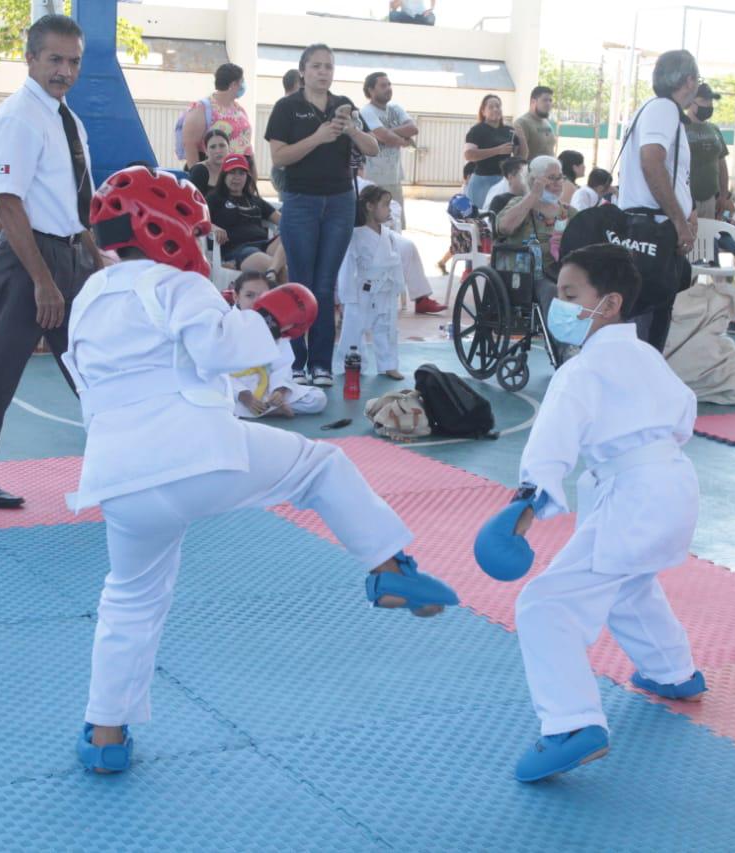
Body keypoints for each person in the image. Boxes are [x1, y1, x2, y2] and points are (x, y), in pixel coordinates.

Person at [69, 166, 458, 774]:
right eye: (195, 234)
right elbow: (223, 350)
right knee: (321, 468)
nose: (199, 246)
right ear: (164, 229)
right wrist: (271, 321)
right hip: (196, 454)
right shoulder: (174, 286)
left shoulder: (88, 300)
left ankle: (106, 733)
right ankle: (389, 568)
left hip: (117, 478)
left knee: (130, 599)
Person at [473, 243, 704, 783]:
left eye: (573, 295)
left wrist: (525, 505)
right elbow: (684, 416)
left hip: (633, 494)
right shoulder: (647, 355)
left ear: (612, 303)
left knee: (544, 606)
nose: (560, 304)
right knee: (629, 583)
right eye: (560, 294)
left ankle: (573, 724)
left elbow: (553, 444)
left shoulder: (581, 371)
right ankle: (672, 671)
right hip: (674, 485)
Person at [0, 14, 101, 509]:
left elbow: (76, 197)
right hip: (29, 256)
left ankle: (124, 459)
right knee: (1, 366)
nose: (64, 70)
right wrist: (42, 280)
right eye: (54, 59)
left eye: (73, 61)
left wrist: (93, 255)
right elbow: (7, 203)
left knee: (94, 365)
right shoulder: (19, 116)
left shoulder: (66, 117)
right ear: (30, 57)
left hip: (70, 252)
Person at [265, 43, 378, 387]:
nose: (323, 72)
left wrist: (352, 130)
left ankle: (321, 364)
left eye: (328, 66)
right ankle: (297, 361)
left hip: (340, 202)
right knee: (301, 281)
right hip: (301, 201)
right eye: (316, 66)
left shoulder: (344, 107)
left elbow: (373, 148)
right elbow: (280, 158)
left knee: (326, 285)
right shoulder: (287, 108)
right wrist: (317, 137)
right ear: (303, 71)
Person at [615, 48, 700, 350]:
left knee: (649, 320)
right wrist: (679, 221)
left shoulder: (655, 109)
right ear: (689, 80)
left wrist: (687, 211)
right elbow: (651, 161)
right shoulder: (664, 109)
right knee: (648, 325)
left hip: (651, 224)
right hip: (653, 228)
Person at [228, 271, 327, 418]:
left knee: (318, 399)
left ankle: (267, 407)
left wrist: (279, 391)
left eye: (262, 296)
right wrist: (243, 395)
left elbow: (282, 364)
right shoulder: (226, 324)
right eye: (249, 295)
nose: (256, 301)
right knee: (208, 396)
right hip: (234, 389)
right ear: (236, 297)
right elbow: (216, 372)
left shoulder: (274, 325)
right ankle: (269, 410)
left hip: (264, 386)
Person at [337, 185, 404, 380]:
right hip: (361, 291)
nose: (389, 209)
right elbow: (348, 266)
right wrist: (347, 295)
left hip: (384, 289)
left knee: (386, 329)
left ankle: (388, 365)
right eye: (385, 205)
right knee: (353, 329)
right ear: (369, 206)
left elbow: (396, 263)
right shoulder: (355, 235)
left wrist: (398, 286)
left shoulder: (388, 234)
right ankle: (351, 363)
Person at [355, 167, 445, 314]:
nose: (359, 171)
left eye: (359, 168)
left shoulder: (364, 184)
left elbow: (393, 205)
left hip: (380, 231)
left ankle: (421, 299)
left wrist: (386, 217)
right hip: (354, 233)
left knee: (407, 246)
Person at [496, 154, 574, 312]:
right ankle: (556, 335)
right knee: (552, 291)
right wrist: (533, 195)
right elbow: (504, 228)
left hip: (561, 272)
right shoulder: (519, 203)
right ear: (533, 180)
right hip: (526, 274)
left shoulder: (569, 212)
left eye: (560, 177)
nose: (558, 183)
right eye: (551, 178)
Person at [206, 153, 284, 273]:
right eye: (232, 172)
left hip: (265, 244)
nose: (237, 177)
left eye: (241, 173)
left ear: (247, 177)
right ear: (224, 175)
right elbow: (198, 221)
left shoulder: (254, 199)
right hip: (239, 250)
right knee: (277, 268)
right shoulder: (215, 198)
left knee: (290, 238)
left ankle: (278, 271)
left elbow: (282, 221)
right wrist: (214, 227)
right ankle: (279, 273)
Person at [359, 72, 417, 231]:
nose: (388, 89)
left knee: (395, 225)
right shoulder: (367, 111)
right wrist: (403, 141)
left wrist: (386, 135)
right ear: (371, 90)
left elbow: (413, 128)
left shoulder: (396, 108)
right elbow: (383, 135)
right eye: (383, 85)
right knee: (374, 226)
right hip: (374, 180)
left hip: (394, 178)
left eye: (389, 85)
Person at [181, 63, 252, 171]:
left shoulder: (238, 109)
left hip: (238, 173)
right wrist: (197, 177)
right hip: (213, 175)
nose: (244, 86)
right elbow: (190, 145)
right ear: (233, 85)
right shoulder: (202, 108)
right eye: (241, 82)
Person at [464, 94, 527, 208]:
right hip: (482, 180)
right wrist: (498, 150)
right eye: (491, 107)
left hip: (504, 180)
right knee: (478, 216)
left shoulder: (509, 131)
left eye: (498, 106)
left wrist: (522, 137)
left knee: (499, 215)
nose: (495, 109)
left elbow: (522, 157)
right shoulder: (476, 130)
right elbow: (469, 155)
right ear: (483, 111)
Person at [685, 82, 732, 221]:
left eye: (711, 101)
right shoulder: (679, 127)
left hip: (710, 199)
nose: (709, 105)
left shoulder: (714, 129)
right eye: (704, 100)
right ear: (691, 102)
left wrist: (723, 195)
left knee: (707, 239)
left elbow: (722, 164)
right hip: (685, 198)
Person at [269, 71, 303, 195]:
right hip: (286, 171)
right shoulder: (287, 107)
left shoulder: (282, 105)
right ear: (297, 84)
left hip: (282, 170)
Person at [515, 87, 557, 161]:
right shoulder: (521, 123)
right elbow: (519, 157)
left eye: (550, 100)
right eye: (545, 100)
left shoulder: (546, 122)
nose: (549, 104)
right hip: (532, 171)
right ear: (533, 102)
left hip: (550, 170)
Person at [186, 128, 231, 197]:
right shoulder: (199, 170)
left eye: (222, 145)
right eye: (213, 147)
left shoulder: (233, 169)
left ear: (229, 148)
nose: (218, 151)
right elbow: (192, 200)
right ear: (206, 151)